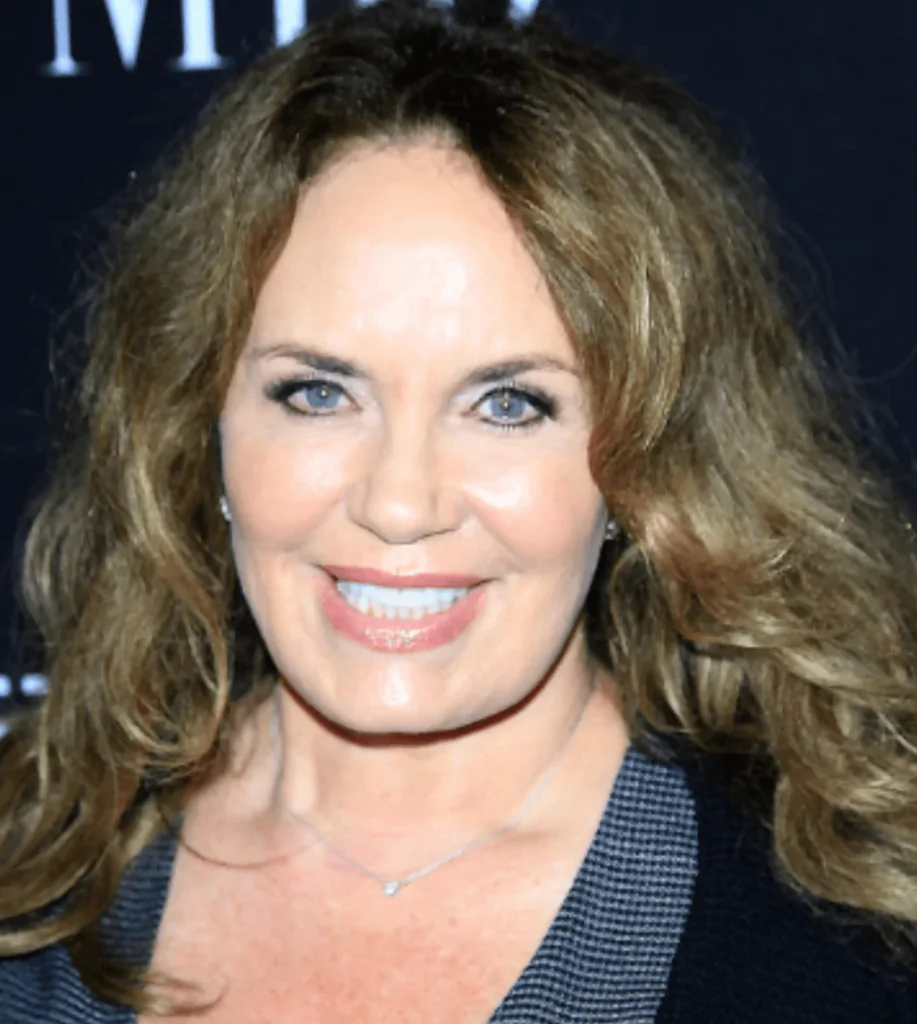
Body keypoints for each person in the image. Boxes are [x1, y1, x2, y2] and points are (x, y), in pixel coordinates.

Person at [2, 0, 917, 1020]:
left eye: (507, 405)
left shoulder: (851, 957)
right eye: (317, 392)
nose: (400, 504)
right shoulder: (28, 875)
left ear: (642, 465)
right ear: (198, 421)